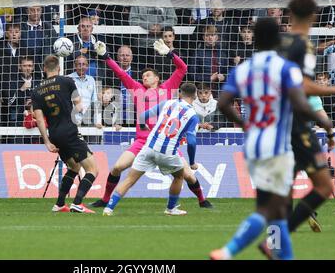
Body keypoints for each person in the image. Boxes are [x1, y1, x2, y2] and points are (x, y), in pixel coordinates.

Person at [210, 18, 333, 260]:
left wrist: (246, 124)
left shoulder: (243, 68)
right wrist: (325, 121)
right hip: (278, 146)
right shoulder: (285, 67)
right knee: (271, 209)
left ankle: (280, 255)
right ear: (278, 39)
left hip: (253, 146)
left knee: (275, 212)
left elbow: (223, 103)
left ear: (254, 39)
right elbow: (299, 102)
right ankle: (228, 251)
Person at [257, 0, 335, 259]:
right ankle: (281, 235)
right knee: (323, 185)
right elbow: (303, 87)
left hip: (272, 123)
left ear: (288, 15)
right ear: (312, 18)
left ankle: (274, 247)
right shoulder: (303, 45)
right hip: (296, 125)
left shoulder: (275, 45)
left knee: (282, 190)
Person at [91, 39, 213, 209]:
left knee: (188, 175)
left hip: (165, 141)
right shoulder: (136, 88)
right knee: (117, 167)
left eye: (147, 75)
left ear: (157, 78)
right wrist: (106, 56)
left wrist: (170, 53)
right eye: (142, 76)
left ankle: (202, 200)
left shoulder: (168, 88)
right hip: (142, 142)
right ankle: (105, 199)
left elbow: (183, 68)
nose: (144, 77)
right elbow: (120, 73)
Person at [103, 83, 200, 216]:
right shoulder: (193, 116)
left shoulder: (167, 103)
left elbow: (143, 116)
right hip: (168, 152)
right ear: (195, 96)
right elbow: (192, 142)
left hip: (148, 147)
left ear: (180, 93)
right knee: (179, 176)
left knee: (130, 179)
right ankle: (171, 209)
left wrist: (143, 127)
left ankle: (109, 208)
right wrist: (192, 161)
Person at [32, 55, 98, 214]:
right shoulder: (67, 81)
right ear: (59, 68)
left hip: (54, 135)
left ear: (44, 68)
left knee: (74, 167)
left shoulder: (36, 90)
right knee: (92, 169)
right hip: (69, 131)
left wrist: (47, 141)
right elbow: (79, 105)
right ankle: (78, 203)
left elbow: (39, 119)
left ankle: (60, 204)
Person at [67, 55, 102, 128]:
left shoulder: (91, 80)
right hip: (72, 120)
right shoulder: (68, 78)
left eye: (84, 64)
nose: (81, 67)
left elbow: (94, 101)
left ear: (87, 66)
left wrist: (97, 121)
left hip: (88, 120)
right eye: (79, 64)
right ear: (75, 66)